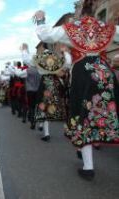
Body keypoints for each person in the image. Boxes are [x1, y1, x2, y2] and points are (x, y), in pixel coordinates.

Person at [33, 3, 119, 180]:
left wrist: (41, 19)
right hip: (105, 72)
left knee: (82, 116)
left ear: (80, 13)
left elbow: (45, 34)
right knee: (108, 112)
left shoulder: (73, 28)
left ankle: (88, 167)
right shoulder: (106, 28)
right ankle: (92, 145)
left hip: (84, 74)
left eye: (76, 9)